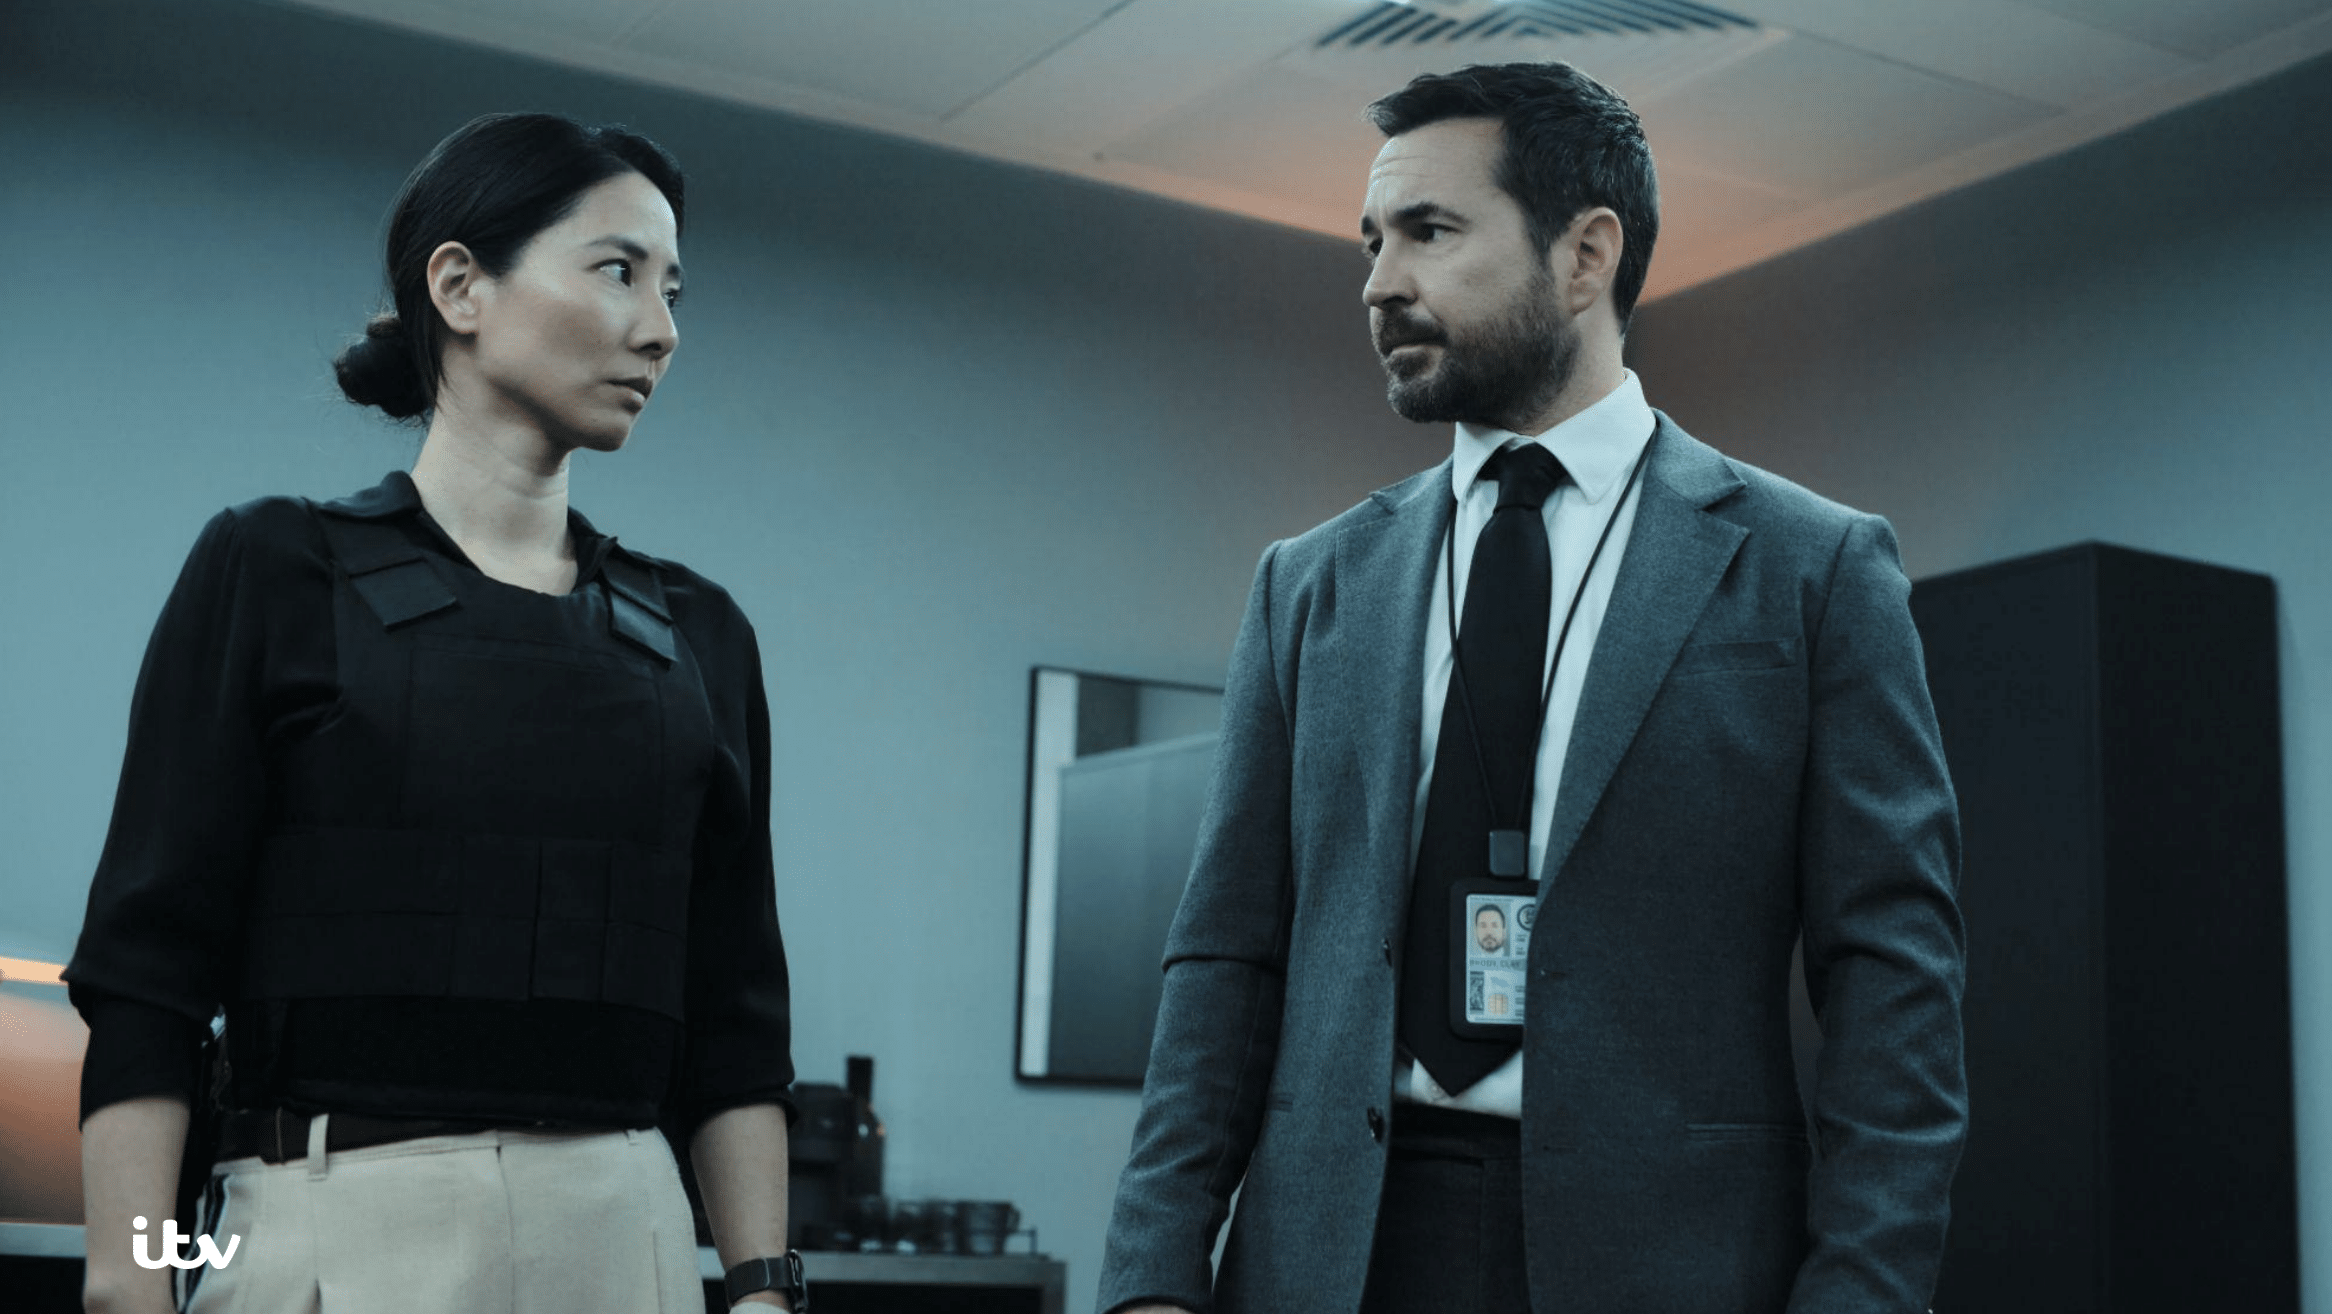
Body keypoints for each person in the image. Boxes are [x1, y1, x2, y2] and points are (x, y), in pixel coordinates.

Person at [1098, 62, 1966, 1314]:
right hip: (1332, 1255)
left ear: (1585, 255)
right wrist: (1151, 1280)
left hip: (1668, 1264)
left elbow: (1895, 981)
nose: (1379, 283)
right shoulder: (1310, 584)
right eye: (1372, 242)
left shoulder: (1811, 569)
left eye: (1430, 231)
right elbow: (1223, 962)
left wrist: (1862, 1297)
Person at [66, 113, 805, 1314]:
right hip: (327, 1228)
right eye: (616, 271)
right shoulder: (275, 570)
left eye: (672, 292)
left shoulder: (700, 635)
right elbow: (148, 975)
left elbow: (738, 1019)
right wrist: (127, 1283)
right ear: (459, 286)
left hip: (628, 1238)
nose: (659, 330)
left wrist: (767, 1291)